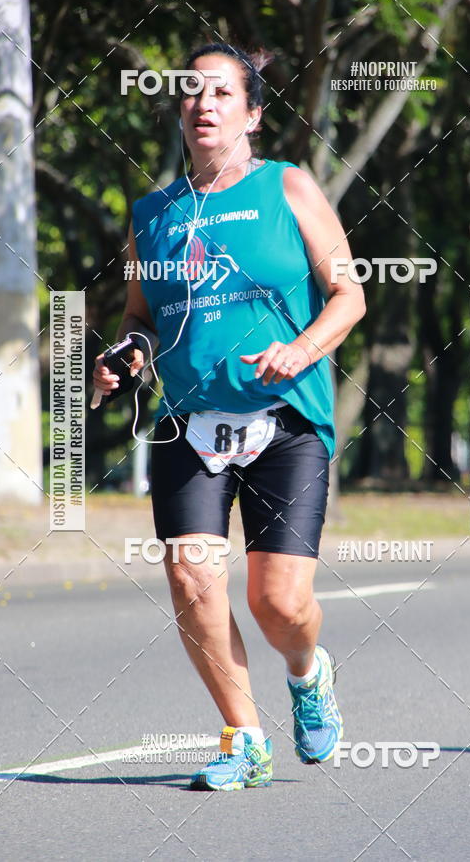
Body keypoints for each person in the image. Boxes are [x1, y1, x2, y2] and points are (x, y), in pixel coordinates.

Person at [92, 42, 365, 791]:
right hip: (187, 424)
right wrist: (125, 357)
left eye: (221, 94)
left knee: (277, 601)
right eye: (191, 94)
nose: (203, 105)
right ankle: (244, 739)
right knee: (189, 578)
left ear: (252, 113)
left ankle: (308, 674)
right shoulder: (152, 214)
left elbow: (349, 296)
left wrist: (300, 348)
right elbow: (141, 320)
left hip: (286, 421)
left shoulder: (288, 188)